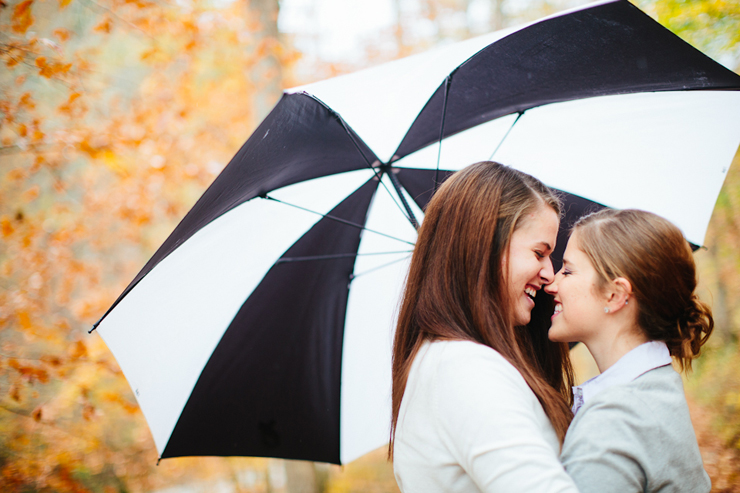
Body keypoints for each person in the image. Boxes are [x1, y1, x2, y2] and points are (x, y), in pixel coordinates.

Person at [391, 161, 579, 492]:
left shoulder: (449, 362)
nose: (550, 274)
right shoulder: (466, 371)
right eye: (539, 253)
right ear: (485, 245)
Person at [545, 208, 713, 492]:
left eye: (568, 270)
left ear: (616, 294)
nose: (552, 284)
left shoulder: (613, 423)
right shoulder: (656, 386)